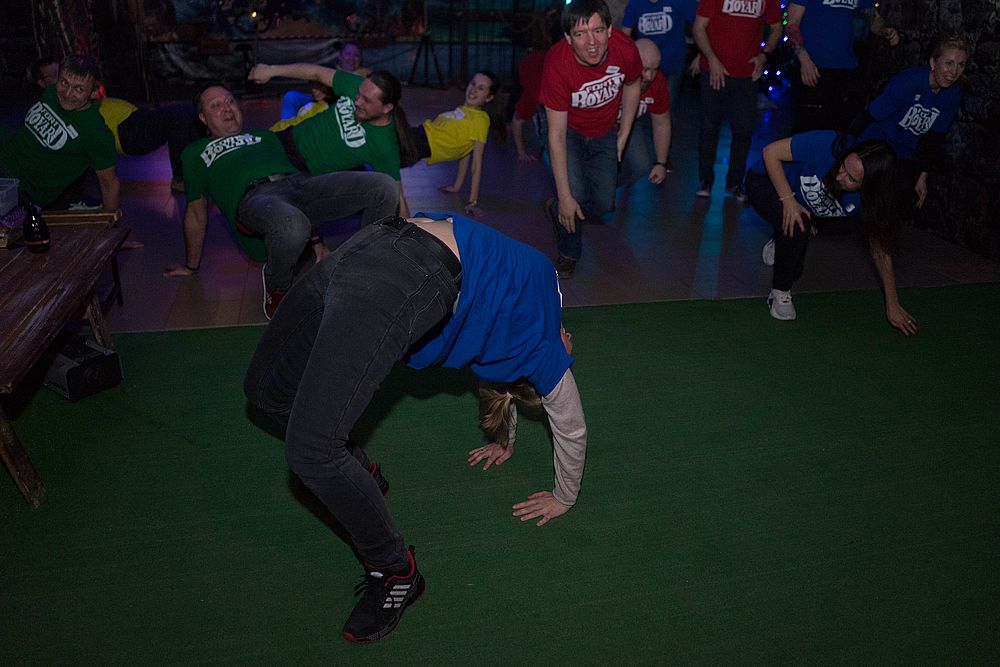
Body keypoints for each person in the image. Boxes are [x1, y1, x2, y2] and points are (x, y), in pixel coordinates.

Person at [243, 212, 588, 643]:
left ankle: (395, 572)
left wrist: (564, 497)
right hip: (377, 239)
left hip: (408, 273)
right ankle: (358, 475)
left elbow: (570, 427)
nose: (571, 347)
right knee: (266, 391)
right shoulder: (540, 315)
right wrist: (506, 439)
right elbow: (499, 366)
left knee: (312, 451)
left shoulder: (543, 354)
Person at [166, 83, 398, 319]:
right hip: (255, 197)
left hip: (299, 184)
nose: (226, 108)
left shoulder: (264, 136)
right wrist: (191, 266)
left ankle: (364, 269)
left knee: (384, 187)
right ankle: (277, 287)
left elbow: (298, 197)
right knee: (292, 224)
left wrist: (317, 242)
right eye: (216, 105)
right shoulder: (194, 153)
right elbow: (196, 213)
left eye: (230, 101)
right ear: (203, 118)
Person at [745, 131, 917, 334]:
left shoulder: (871, 201)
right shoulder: (827, 144)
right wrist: (788, 201)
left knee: (797, 261)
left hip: (806, 205)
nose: (840, 176)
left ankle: (782, 239)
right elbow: (770, 152)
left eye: (851, 179)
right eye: (843, 166)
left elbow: (880, 249)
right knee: (798, 229)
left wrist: (892, 304)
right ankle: (779, 292)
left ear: (869, 187)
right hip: (767, 181)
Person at [540, 0, 642, 277]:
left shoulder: (625, 49)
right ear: (568, 38)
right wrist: (564, 197)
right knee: (572, 196)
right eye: (580, 34)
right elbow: (556, 135)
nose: (592, 42)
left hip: (605, 129)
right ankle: (568, 253)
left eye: (597, 31)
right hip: (569, 132)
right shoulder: (557, 64)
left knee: (604, 204)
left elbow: (633, 84)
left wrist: (623, 135)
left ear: (609, 30)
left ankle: (562, 204)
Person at [248, 63, 412, 215]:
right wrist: (271, 70)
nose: (357, 101)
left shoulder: (385, 146)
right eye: (359, 94)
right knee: (243, 156)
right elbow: (317, 73)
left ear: (387, 108)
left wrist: (410, 232)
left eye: (366, 100)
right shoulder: (359, 86)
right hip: (287, 137)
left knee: (257, 195)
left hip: (300, 171)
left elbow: (397, 195)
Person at [31, 56, 203, 194]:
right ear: (41, 83)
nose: (63, 81)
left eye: (60, 74)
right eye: (54, 78)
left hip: (134, 117)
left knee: (187, 116)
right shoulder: (55, 108)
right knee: (181, 113)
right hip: (127, 133)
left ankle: (198, 170)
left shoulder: (74, 95)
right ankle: (181, 178)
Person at [851, 33, 968, 219]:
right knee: (870, 185)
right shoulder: (909, 81)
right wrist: (847, 148)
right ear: (933, 62)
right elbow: (869, 115)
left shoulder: (952, 94)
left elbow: (934, 138)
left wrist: (923, 174)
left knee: (902, 196)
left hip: (904, 154)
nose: (954, 71)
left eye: (961, 65)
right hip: (877, 144)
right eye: (949, 63)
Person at [0, 54, 120, 211]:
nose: (68, 94)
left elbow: (109, 184)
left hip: (21, 192)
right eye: (64, 82)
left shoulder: (96, 132)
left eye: (79, 89)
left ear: (93, 93)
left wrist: (110, 221)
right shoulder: (51, 93)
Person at [692, 0, 781, 200]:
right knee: (709, 127)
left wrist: (764, 55)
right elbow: (699, 27)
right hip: (714, 71)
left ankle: (734, 183)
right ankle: (705, 179)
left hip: (747, 74)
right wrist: (711, 58)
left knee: (743, 131)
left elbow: (776, 27)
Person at [786, 0, 898, 134]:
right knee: (808, 128)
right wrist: (804, 60)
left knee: (842, 129)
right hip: (814, 67)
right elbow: (792, 23)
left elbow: (872, 17)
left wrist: (885, 30)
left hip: (847, 67)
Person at [408, 71, 507, 218]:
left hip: (422, 143)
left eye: (481, 88)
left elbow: (476, 163)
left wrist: (472, 202)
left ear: (489, 97)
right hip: (419, 134)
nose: (473, 90)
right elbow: (465, 152)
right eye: (473, 83)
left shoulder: (480, 120)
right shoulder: (464, 110)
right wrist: (456, 186)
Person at [620, 0, 697, 105]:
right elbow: (625, 36)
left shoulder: (681, 1)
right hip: (644, 66)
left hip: (673, 63)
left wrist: (701, 56)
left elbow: (700, 24)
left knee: (666, 104)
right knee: (639, 104)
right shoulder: (636, 3)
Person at [619, 39, 672, 187]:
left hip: (629, 124)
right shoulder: (614, 74)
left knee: (640, 166)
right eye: (646, 69)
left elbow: (661, 122)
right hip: (598, 127)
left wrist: (661, 163)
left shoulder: (658, 81)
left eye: (655, 69)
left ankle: (602, 193)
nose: (649, 76)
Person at [279, 40, 371, 121]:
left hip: (335, 106)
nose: (351, 58)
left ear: (360, 59)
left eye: (356, 55)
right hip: (319, 100)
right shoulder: (331, 70)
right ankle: (285, 127)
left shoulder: (363, 76)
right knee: (291, 96)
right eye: (348, 54)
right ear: (340, 56)